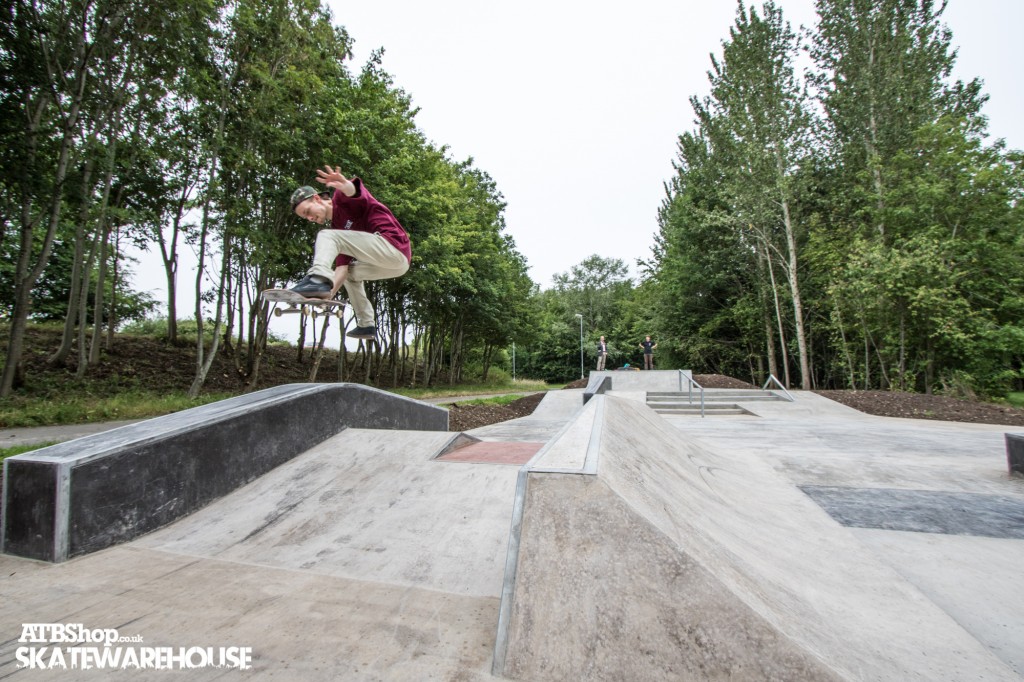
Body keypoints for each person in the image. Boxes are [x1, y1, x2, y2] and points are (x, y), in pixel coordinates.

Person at [288, 165, 411, 340]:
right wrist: (324, 297)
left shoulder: (341, 199)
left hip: (393, 246)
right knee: (350, 275)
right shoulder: (339, 233)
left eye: (308, 211)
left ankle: (316, 279)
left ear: (316, 198)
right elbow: (342, 269)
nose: (310, 218)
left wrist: (345, 184)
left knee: (326, 236)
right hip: (396, 266)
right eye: (306, 217)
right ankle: (366, 324)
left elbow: (352, 191)